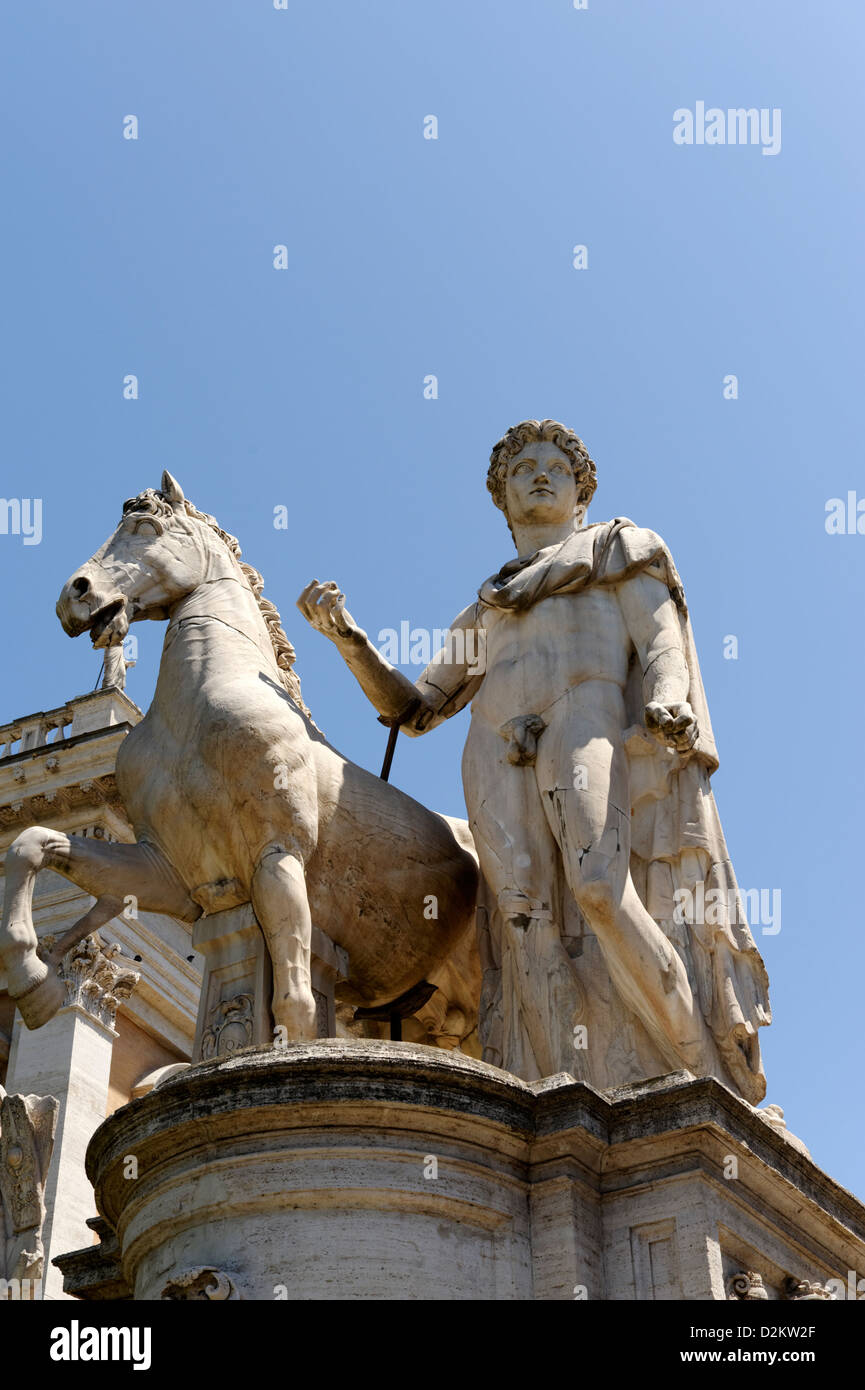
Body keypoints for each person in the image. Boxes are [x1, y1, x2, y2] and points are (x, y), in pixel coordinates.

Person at [297, 420, 769, 1100]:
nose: (539, 474)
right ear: (502, 498)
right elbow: (416, 709)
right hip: (493, 748)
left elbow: (660, 638)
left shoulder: (617, 548)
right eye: (522, 469)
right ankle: (555, 1100)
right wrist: (349, 641)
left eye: (555, 466)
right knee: (523, 931)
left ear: (582, 491)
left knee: (600, 890)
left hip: (587, 717)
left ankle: (693, 1070)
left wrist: (669, 698)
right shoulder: (487, 607)